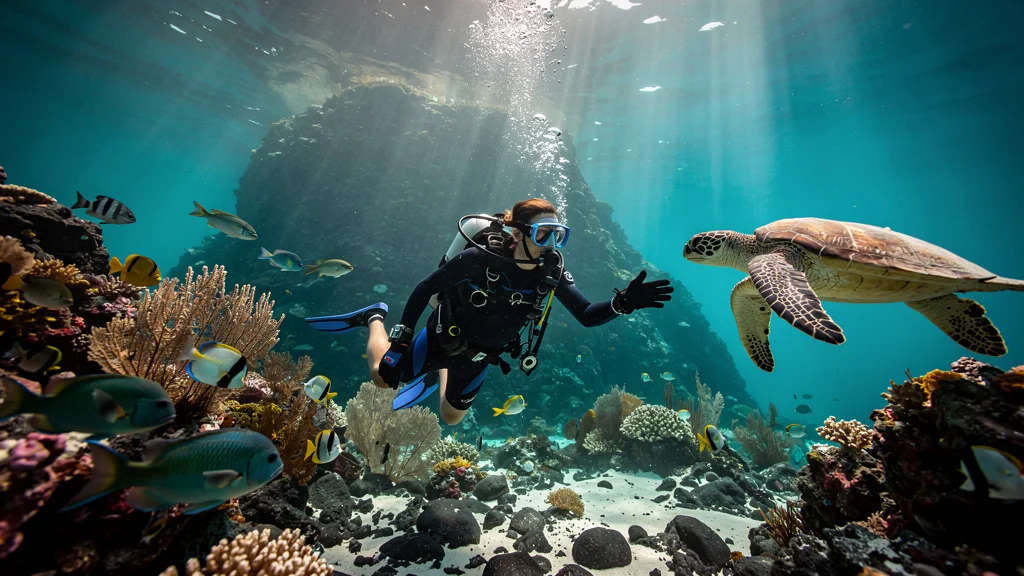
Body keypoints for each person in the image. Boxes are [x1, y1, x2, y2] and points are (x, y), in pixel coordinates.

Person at [306, 198, 673, 425]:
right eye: (545, 234)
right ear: (519, 233)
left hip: (482, 355)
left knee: (451, 418)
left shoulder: (552, 272)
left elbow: (587, 314)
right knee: (382, 378)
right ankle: (374, 318)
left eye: (560, 235)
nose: (553, 245)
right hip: (440, 338)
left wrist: (622, 303)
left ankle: (440, 375)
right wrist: (401, 341)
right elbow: (424, 289)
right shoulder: (478, 258)